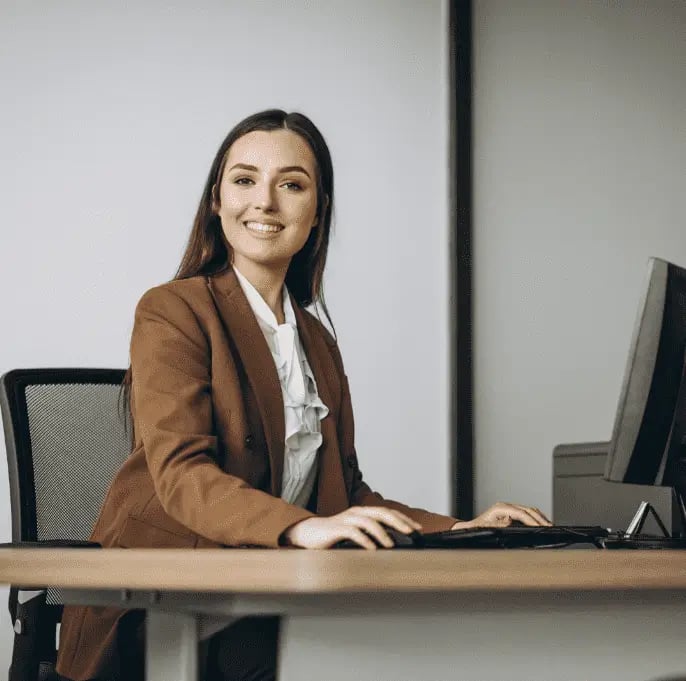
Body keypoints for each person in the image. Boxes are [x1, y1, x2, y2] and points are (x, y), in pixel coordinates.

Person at [55, 109, 550, 681]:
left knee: (422, 644)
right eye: (244, 180)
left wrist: (460, 530)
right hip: (166, 605)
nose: (264, 202)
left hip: (265, 598)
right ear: (216, 202)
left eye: (290, 185)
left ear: (317, 214)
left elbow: (347, 495)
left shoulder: (316, 341)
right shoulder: (174, 309)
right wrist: (297, 527)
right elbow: (183, 474)